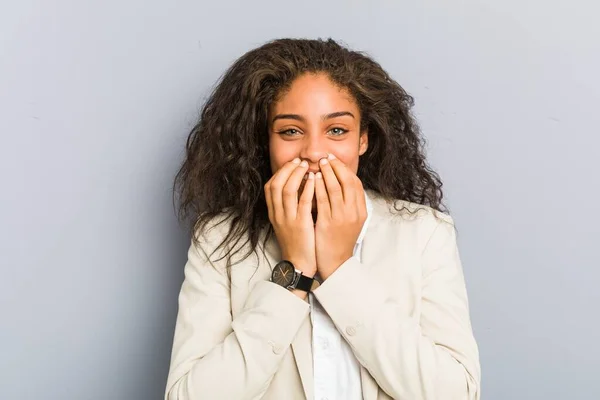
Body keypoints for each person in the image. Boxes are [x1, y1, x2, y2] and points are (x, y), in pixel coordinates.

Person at [165, 38, 480, 400]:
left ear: (363, 139)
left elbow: (456, 393)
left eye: (337, 130)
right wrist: (295, 270)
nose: (314, 151)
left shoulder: (424, 233)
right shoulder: (218, 239)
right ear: (266, 141)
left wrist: (340, 269)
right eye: (290, 131)